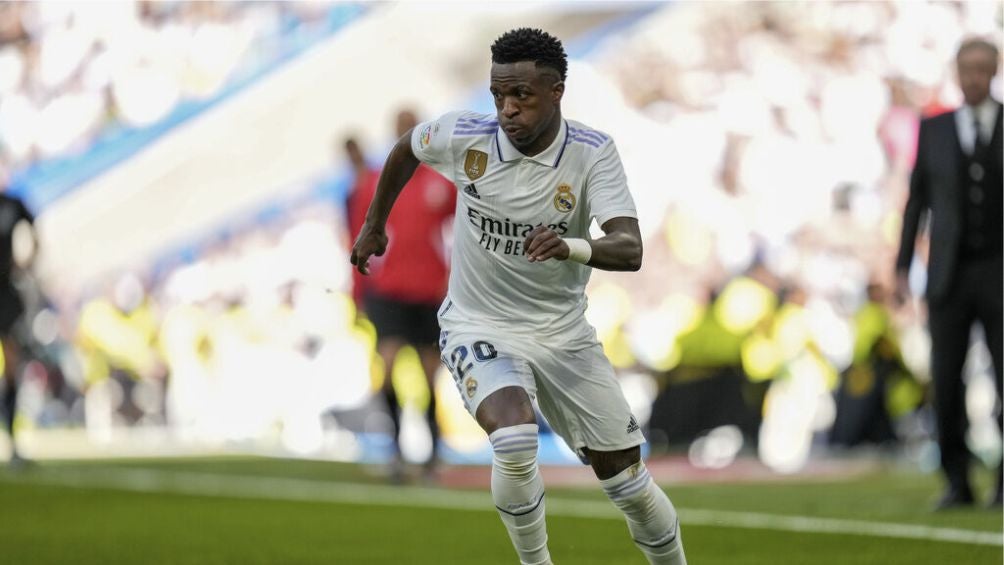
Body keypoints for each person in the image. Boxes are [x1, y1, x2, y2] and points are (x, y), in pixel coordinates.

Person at [352, 28, 686, 564]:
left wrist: (571, 246)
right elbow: (406, 148)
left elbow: (629, 248)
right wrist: (374, 225)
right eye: (498, 96)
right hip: (479, 323)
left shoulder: (591, 154)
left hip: (562, 334)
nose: (507, 109)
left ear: (556, 91)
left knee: (627, 482)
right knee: (513, 438)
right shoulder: (465, 136)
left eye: (521, 97)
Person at [895, 37, 1002, 509]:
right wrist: (902, 266)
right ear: (956, 72)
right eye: (966, 68)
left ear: (995, 70)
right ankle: (957, 481)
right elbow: (916, 203)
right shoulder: (933, 128)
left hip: (999, 271)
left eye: (982, 68)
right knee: (945, 377)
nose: (974, 77)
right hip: (949, 278)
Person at [343, 110, 456, 482]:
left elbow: (465, 228)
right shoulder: (377, 181)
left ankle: (433, 454)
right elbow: (358, 235)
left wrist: (456, 277)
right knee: (387, 365)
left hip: (429, 289)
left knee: (429, 374)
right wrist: (358, 291)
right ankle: (393, 451)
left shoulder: (441, 180)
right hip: (388, 289)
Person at [0, 178, 37, 468]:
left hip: (5, 293)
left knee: (13, 367)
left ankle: (12, 442)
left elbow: (35, 233)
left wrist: (27, 261)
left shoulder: (13, 203)